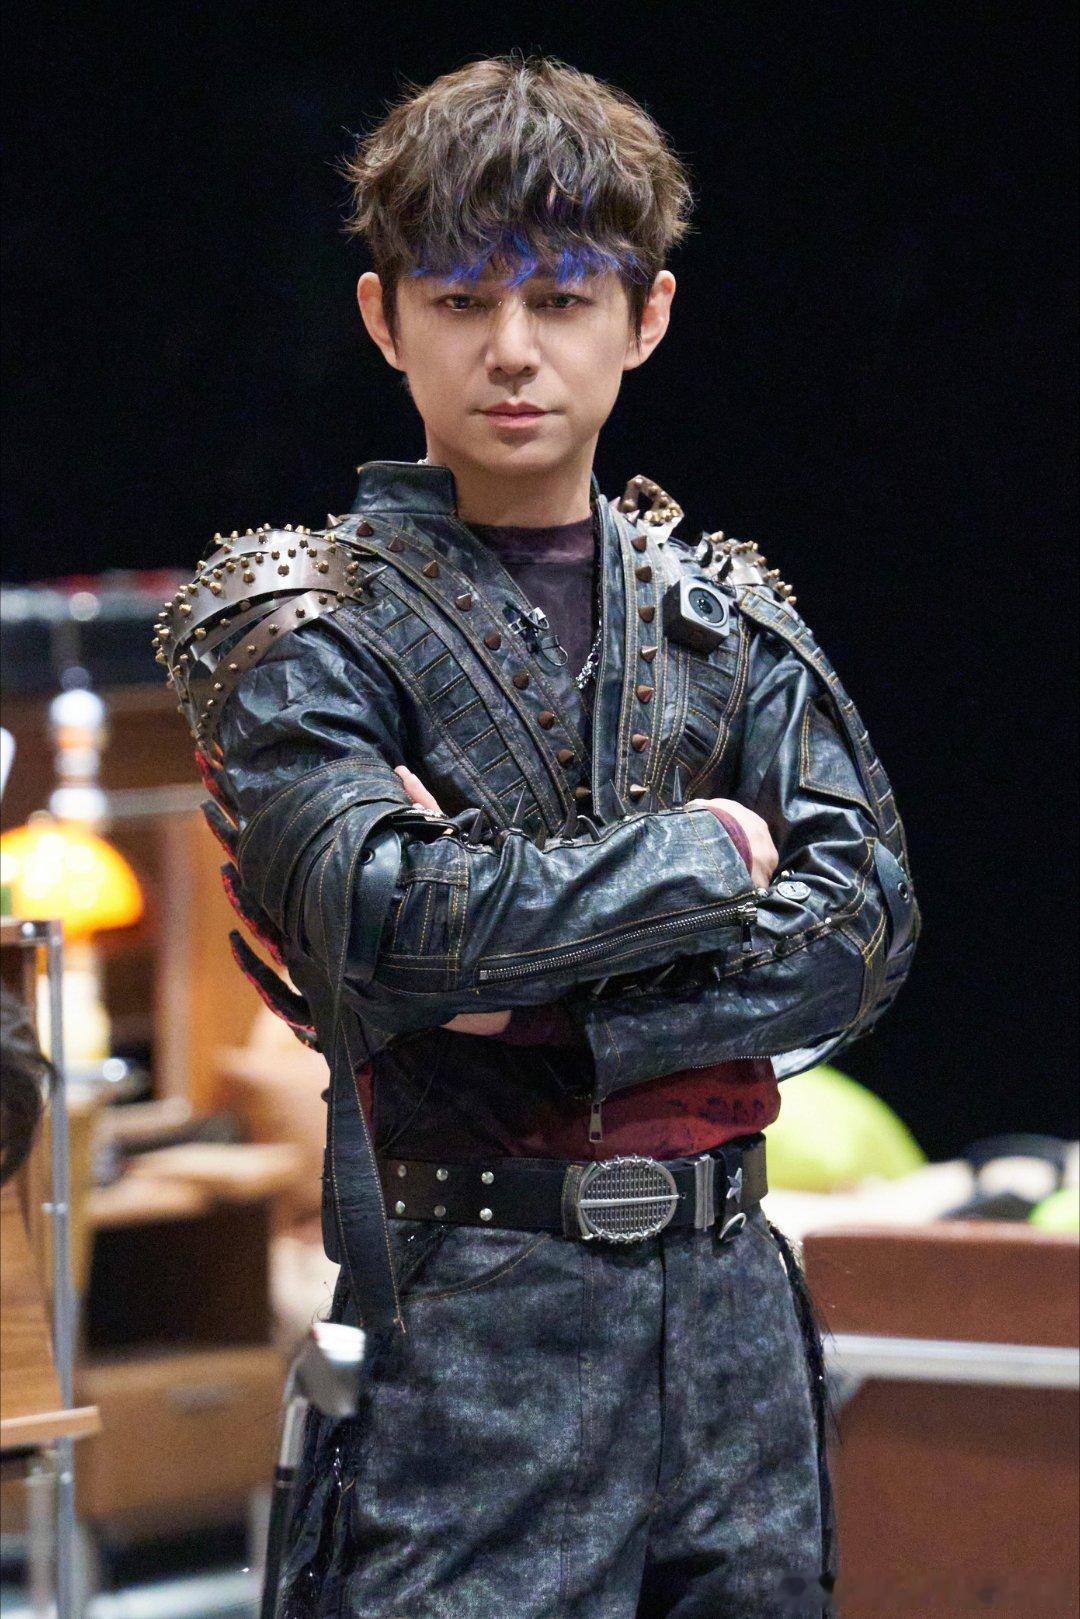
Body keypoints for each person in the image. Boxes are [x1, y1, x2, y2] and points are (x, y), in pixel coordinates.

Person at [160, 55, 919, 1619]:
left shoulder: (726, 617)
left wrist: (538, 1002)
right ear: (385, 318)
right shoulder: (305, 627)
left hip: (732, 1309)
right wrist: (712, 859)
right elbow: (381, 922)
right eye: (461, 300)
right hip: (477, 1318)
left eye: (562, 299)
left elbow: (858, 933)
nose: (512, 348)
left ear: (645, 316)